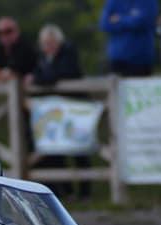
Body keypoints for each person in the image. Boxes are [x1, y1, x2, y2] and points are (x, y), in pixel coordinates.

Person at [28, 24, 91, 201]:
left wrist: (39, 79)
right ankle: (66, 191)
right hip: (55, 111)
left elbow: (58, 74)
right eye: (46, 43)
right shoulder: (43, 57)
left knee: (80, 151)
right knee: (56, 151)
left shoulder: (68, 52)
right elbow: (42, 75)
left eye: (52, 42)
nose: (49, 46)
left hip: (75, 109)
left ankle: (85, 192)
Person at [99, 0, 159, 77]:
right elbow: (104, 24)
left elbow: (143, 22)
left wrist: (119, 19)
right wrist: (130, 19)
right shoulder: (113, 1)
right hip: (117, 59)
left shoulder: (148, 2)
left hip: (140, 60)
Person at [0, 17, 38, 82]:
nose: (4, 35)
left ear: (17, 31)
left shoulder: (25, 47)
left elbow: (14, 74)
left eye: (8, 31)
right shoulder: (1, 48)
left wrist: (0, 74)